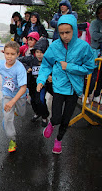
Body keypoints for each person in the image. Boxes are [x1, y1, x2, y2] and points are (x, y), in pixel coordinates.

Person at [37, 15, 95, 154]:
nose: (64, 36)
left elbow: (89, 67)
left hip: (75, 88)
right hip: (59, 87)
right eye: (61, 33)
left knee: (66, 119)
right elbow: (46, 65)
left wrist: (69, 67)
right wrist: (41, 80)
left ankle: (59, 140)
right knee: (56, 117)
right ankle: (52, 123)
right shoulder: (55, 46)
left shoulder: (84, 47)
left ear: (74, 30)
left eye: (67, 32)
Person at [0, 41, 27, 153]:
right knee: (8, 118)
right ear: (4, 53)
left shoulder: (20, 68)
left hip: (20, 95)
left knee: (22, 113)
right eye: (7, 54)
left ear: (17, 55)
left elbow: (23, 88)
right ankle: (12, 139)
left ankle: (14, 109)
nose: (9, 57)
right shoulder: (1, 63)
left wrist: (13, 102)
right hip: (7, 93)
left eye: (12, 54)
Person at [19, 38, 51, 127]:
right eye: (37, 52)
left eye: (42, 52)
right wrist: (26, 67)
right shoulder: (31, 59)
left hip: (42, 85)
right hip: (32, 84)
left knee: (40, 100)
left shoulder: (49, 62)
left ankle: (45, 116)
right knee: (33, 100)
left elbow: (56, 68)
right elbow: (18, 60)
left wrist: (50, 75)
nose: (39, 55)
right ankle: (37, 113)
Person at [89, 4, 102, 103]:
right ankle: (88, 92)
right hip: (95, 51)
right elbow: (94, 35)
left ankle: (97, 94)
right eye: (100, 12)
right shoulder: (94, 23)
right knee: (92, 74)